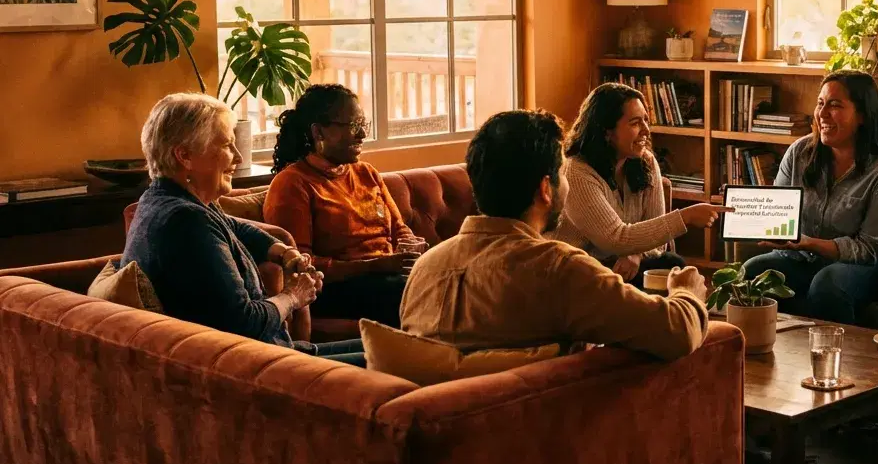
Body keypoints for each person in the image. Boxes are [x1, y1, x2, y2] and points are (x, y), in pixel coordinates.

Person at [399, 109, 712, 360]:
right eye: (563, 174)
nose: (568, 183)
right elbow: (678, 332)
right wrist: (687, 292)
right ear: (545, 189)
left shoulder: (426, 268)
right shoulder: (561, 269)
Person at [123, 93, 365, 365]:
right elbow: (245, 322)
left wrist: (283, 253)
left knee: (404, 348)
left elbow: (233, 226)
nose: (237, 157)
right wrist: (293, 296)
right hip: (263, 368)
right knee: (399, 360)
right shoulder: (186, 221)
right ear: (185, 156)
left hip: (276, 353)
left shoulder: (165, 199)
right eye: (227, 145)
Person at [741, 70, 878, 324]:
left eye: (835, 105)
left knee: (828, 283)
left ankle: (838, 360)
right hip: (804, 258)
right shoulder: (799, 152)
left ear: (863, 115)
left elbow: (869, 249)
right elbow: (779, 213)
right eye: (821, 103)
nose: (822, 113)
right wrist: (751, 216)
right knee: (751, 272)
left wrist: (809, 242)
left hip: (870, 266)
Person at [263, 85, 416, 327]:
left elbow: (399, 230)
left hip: (387, 277)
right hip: (334, 288)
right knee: (411, 292)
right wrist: (373, 266)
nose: (362, 135)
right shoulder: (292, 183)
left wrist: (412, 248)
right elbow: (300, 264)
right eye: (354, 126)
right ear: (319, 132)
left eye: (364, 124)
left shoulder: (367, 173)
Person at [552, 83, 729, 286]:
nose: (646, 130)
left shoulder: (645, 161)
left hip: (620, 263)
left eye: (646, 120)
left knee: (672, 263)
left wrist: (636, 254)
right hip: (579, 269)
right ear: (606, 131)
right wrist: (685, 217)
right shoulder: (577, 171)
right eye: (635, 123)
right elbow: (615, 238)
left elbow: (659, 241)